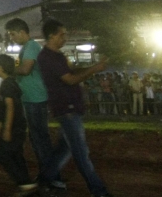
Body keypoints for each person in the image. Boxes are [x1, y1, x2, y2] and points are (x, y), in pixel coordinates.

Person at [35, 19, 114, 197]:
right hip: (67, 108)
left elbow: (73, 72)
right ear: (51, 36)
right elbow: (70, 79)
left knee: (65, 150)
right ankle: (99, 191)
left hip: (69, 108)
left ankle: (43, 181)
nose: (65, 38)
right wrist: (94, 69)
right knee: (80, 153)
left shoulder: (57, 56)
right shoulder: (48, 57)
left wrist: (94, 67)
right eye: (62, 34)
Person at [5, 18, 63, 191]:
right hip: (33, 99)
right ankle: (49, 176)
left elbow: (25, 69)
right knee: (38, 139)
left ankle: (54, 180)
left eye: (13, 34)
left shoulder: (31, 46)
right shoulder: (28, 47)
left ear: (22, 32)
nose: (12, 38)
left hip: (35, 99)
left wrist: (6, 69)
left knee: (41, 141)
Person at [0, 54, 37, 194]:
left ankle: (24, 183)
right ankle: (26, 183)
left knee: (3, 154)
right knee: (16, 155)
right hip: (18, 126)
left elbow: (10, 107)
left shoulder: (7, 84)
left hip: (14, 126)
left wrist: (7, 129)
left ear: (1, 67)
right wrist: (1, 121)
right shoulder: (11, 82)